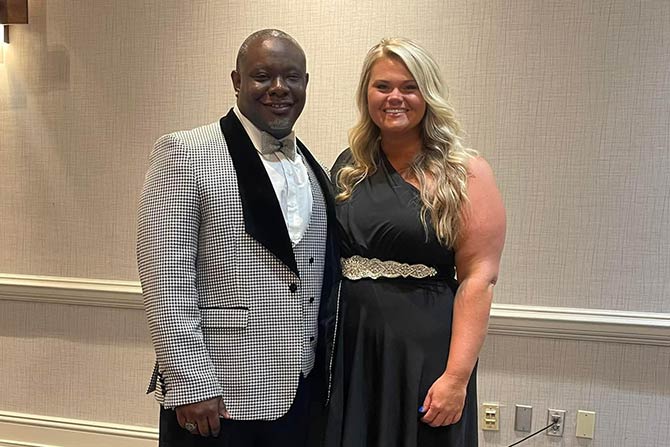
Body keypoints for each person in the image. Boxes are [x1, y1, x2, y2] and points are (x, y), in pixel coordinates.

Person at [137, 29, 339, 447]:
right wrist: (190, 382)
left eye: (292, 77)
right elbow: (165, 279)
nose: (279, 88)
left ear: (305, 83)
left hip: (302, 393)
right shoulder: (185, 152)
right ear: (237, 80)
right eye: (262, 76)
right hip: (218, 396)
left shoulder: (316, 169)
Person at [324, 37, 506, 447]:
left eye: (409, 87)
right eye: (383, 86)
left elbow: (479, 279)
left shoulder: (465, 172)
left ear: (428, 94)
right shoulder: (349, 166)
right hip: (353, 345)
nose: (395, 97)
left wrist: (456, 377)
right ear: (366, 94)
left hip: (424, 350)